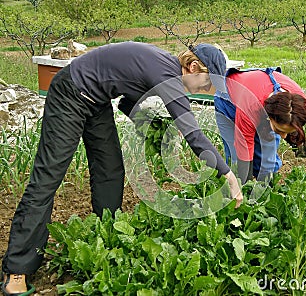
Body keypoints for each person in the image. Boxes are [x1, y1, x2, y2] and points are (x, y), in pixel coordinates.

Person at [1, 42, 243, 295]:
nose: (205, 89)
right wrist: (228, 174)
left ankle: (107, 237)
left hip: (96, 101)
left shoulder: (163, 69)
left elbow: (128, 102)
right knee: (48, 178)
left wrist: (153, 130)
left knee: (111, 170)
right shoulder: (167, 74)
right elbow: (192, 132)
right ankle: (17, 268)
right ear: (193, 67)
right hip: (70, 93)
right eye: (206, 83)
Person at [214, 67, 306, 184]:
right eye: (279, 130)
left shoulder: (297, 104)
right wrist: (245, 187)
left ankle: (267, 190)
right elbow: (244, 151)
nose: (283, 136)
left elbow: (291, 123)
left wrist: (298, 142)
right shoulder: (251, 108)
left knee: (267, 163)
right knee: (237, 161)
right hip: (228, 100)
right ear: (269, 117)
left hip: (259, 92)